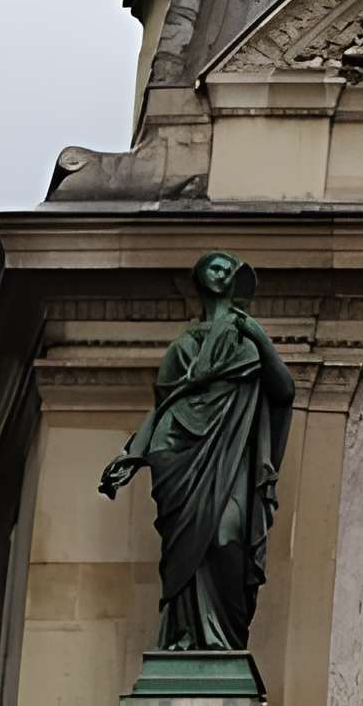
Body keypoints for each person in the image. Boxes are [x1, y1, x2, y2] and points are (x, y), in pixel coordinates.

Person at [99, 252, 295, 656]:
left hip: (231, 454)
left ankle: (225, 640)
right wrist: (133, 454)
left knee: (227, 534)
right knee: (187, 544)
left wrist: (258, 337)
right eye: (214, 267)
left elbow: (284, 391)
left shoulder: (246, 335)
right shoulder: (183, 345)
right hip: (181, 451)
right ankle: (185, 637)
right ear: (200, 279)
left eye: (228, 268)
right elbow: (167, 404)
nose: (221, 273)